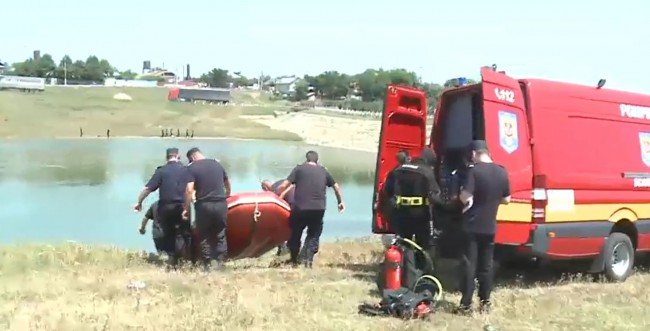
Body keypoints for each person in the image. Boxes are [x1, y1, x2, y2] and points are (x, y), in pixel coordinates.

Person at [455, 140, 511, 315]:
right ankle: (485, 303)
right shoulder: (502, 172)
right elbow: (507, 199)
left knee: (469, 266)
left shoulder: (474, 171)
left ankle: (466, 305)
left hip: (472, 226)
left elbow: (465, 197)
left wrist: (461, 196)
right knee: (486, 267)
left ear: (474, 154)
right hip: (490, 227)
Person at [276, 150, 345, 268]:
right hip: (318, 209)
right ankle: (308, 262)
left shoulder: (299, 169)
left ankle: (293, 260)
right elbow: (336, 187)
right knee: (314, 234)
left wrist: (276, 197)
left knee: (295, 233)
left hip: (300, 208)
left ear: (306, 159)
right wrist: (340, 202)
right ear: (317, 160)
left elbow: (284, 185)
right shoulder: (324, 170)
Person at [133, 148, 190, 267]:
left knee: (168, 233)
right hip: (182, 206)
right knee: (182, 233)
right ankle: (181, 260)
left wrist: (139, 202)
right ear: (178, 156)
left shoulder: (161, 171)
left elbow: (147, 189)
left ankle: (172, 260)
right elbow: (192, 188)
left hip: (166, 207)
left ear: (167, 157)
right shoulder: (186, 170)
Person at [384, 147, 443, 261]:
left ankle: (403, 271)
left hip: (400, 213)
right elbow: (435, 196)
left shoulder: (398, 169)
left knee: (403, 244)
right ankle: (420, 270)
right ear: (430, 162)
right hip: (420, 214)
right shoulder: (427, 172)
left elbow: (388, 191)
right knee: (423, 245)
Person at [183, 147, 231, 271]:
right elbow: (227, 182)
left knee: (204, 235)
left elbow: (189, 190)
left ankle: (208, 264)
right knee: (220, 233)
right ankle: (220, 263)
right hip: (220, 203)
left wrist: (186, 208)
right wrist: (227, 195)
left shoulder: (192, 168)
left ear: (192, 158)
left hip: (204, 204)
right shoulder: (217, 164)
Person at [261, 179, 295, 256]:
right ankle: (289, 249)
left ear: (266, 188)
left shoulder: (274, 192)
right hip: (301, 203)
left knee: (274, 227)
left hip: (291, 205)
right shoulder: (281, 182)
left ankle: (283, 248)